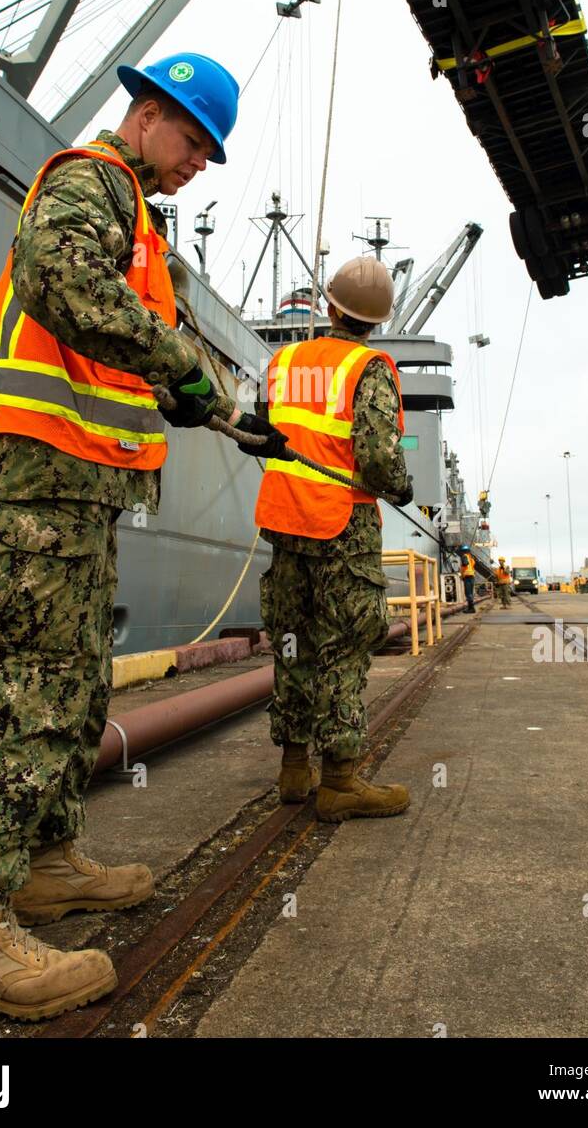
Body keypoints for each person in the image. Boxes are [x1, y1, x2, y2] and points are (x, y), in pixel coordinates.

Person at [0, 53, 284, 1022]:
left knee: (72, 675)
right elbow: (57, 279)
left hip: (76, 480)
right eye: (196, 145)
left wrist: (198, 394)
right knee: (26, 686)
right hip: (32, 470)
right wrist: (179, 361)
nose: (199, 167)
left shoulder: (139, 217)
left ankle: (41, 863)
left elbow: (124, 340)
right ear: (152, 115)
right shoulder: (93, 182)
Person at [247, 255, 414, 822]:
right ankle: (340, 779)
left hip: (283, 518)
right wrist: (402, 486)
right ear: (377, 321)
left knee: (293, 642)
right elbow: (377, 456)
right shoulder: (369, 368)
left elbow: (268, 428)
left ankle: (294, 771)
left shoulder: (285, 360)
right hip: (341, 522)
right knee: (343, 645)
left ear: (329, 305)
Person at [459, 545, 476, 613]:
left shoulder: (464, 556)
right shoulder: (471, 558)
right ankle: (470, 608)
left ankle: (471, 608)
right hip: (471, 576)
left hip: (467, 577)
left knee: (468, 593)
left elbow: (465, 563)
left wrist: (462, 572)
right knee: (470, 593)